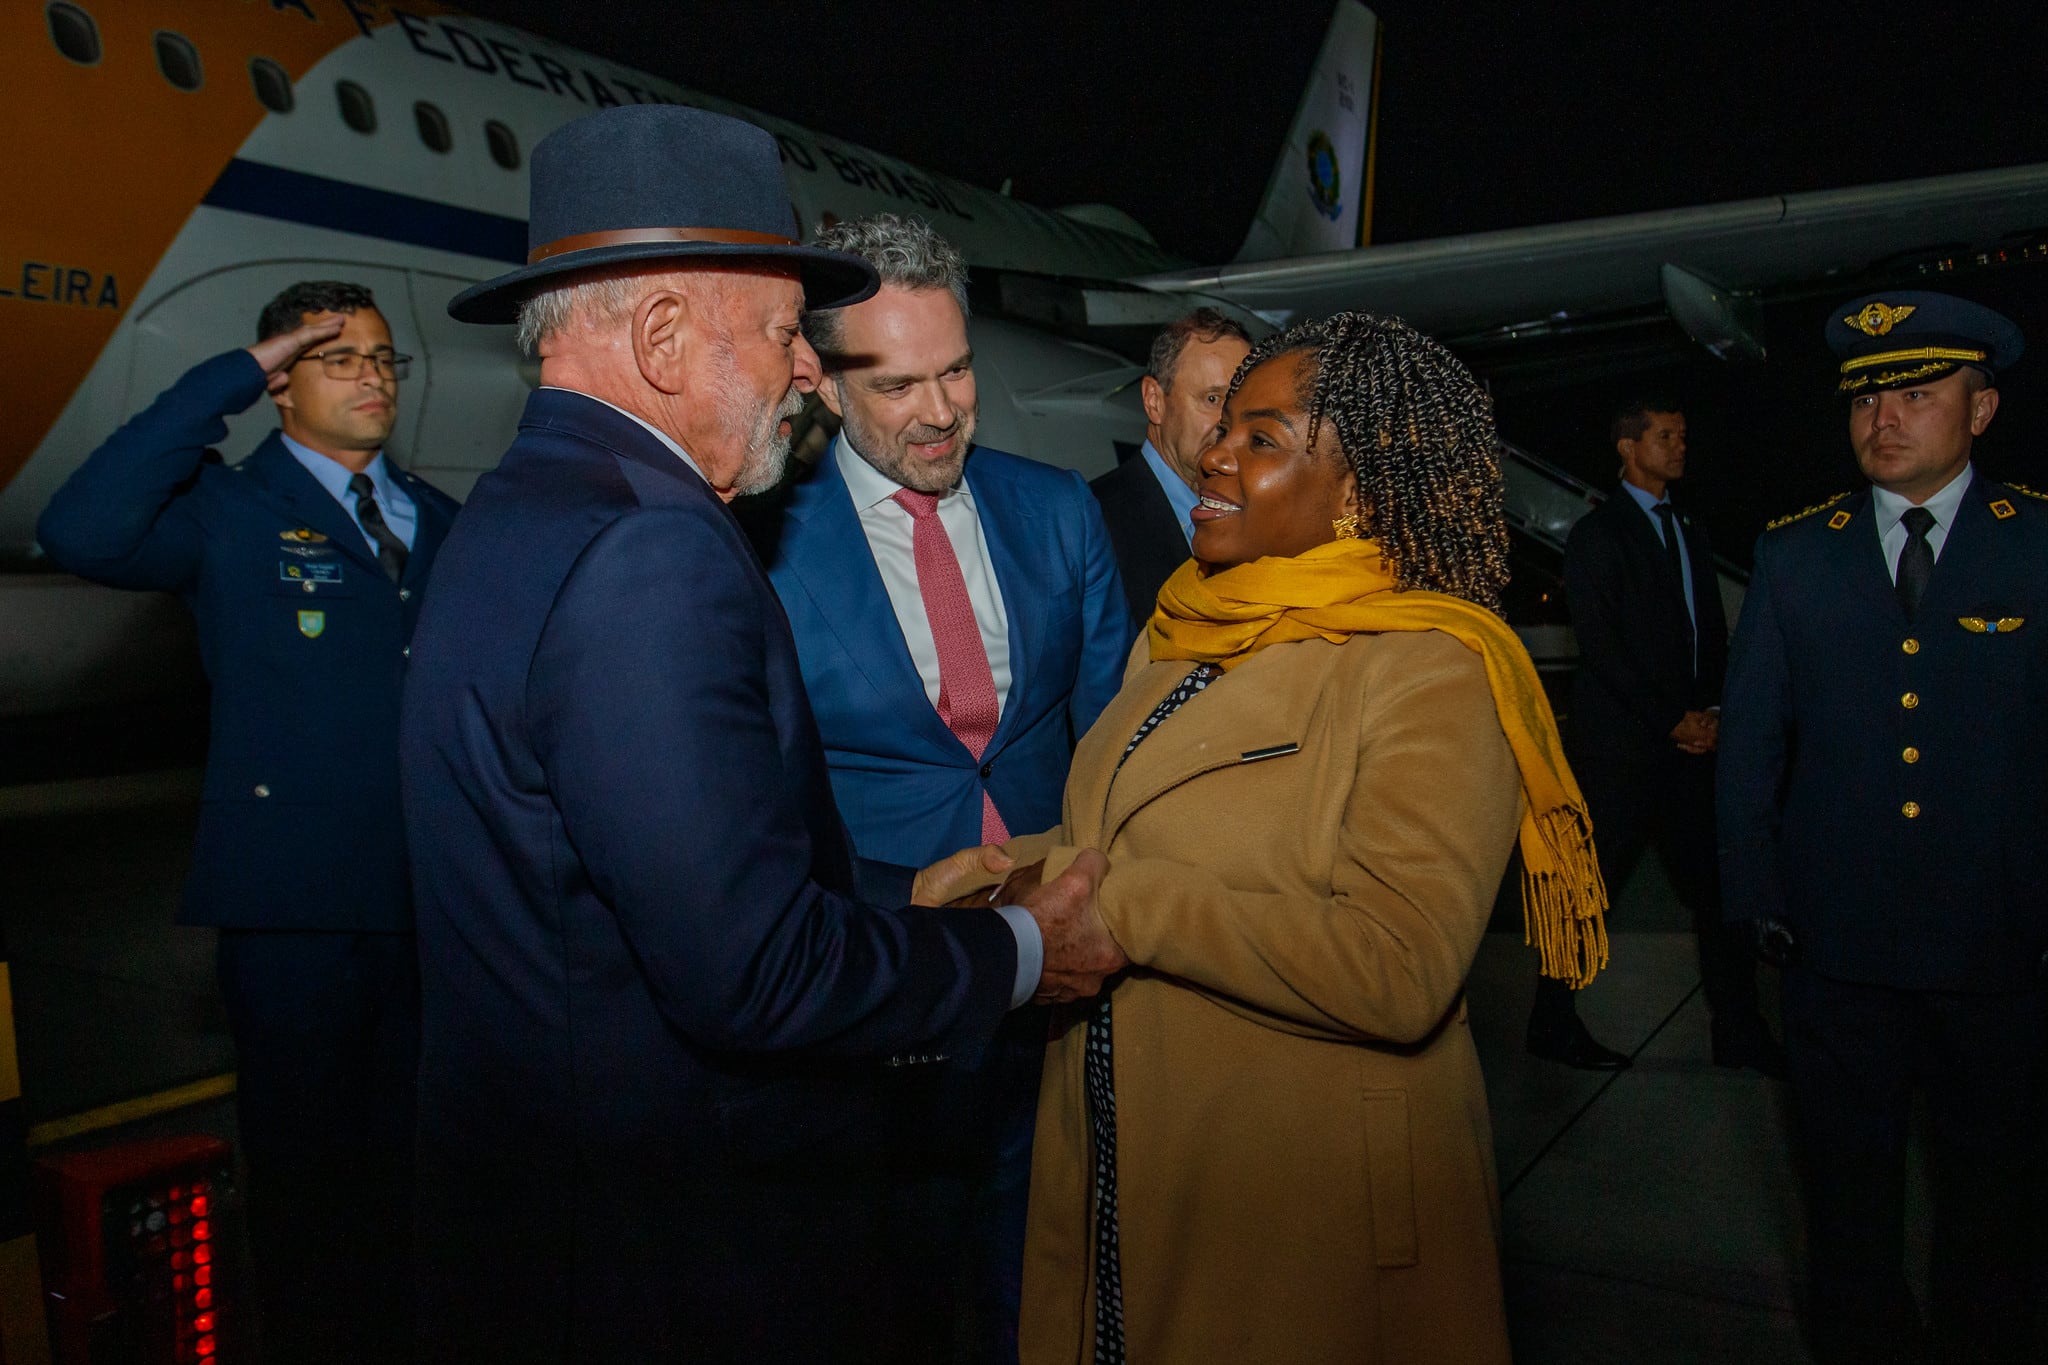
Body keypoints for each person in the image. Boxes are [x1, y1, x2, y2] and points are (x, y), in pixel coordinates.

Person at [401, 105, 1122, 1365]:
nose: (803, 374)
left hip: (557, 1215)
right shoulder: (650, 550)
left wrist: (898, 904)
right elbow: (755, 972)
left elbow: (646, 882)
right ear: (663, 337)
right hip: (670, 1247)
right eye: (788, 333)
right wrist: (1020, 951)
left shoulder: (516, 508)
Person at [958, 311, 1609, 1364]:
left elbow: (1399, 965)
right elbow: (1113, 834)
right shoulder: (1186, 628)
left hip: (1300, 1225)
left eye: (1260, 438)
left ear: (1359, 490)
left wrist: (1129, 911)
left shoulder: (1429, 668)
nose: (1215, 453)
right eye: (1223, 427)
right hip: (1129, 1177)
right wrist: (968, 885)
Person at [36, 280, 456, 1362]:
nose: (372, 376)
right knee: (310, 1181)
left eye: (384, 358)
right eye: (337, 357)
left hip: (434, 903)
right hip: (293, 907)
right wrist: (229, 373)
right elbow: (78, 529)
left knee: (423, 1169)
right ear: (279, 385)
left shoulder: (442, 519)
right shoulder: (227, 511)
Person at [751, 212, 1130, 1362]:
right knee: (891, 1288)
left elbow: (1116, 738)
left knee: (1046, 1271)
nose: (939, 411)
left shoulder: (1055, 508)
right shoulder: (759, 541)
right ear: (821, 383)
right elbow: (760, 799)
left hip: (1060, 973)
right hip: (879, 985)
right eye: (897, 384)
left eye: (956, 371)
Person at [1717, 290, 2044, 1364]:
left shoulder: (2036, 545)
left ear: (1980, 410)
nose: (1883, 418)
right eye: (1864, 398)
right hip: (1835, 947)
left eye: (1914, 393)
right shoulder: (1794, 556)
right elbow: (1751, 745)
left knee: (1992, 1204)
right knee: (1846, 1203)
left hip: (1997, 948)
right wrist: (1755, 899)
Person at [1529, 397, 1779, 1073]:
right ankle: (1551, 1022)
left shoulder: (1688, 528)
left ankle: (1738, 1030)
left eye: (1682, 435)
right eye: (1666, 436)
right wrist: (1672, 717)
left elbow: (1708, 632)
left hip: (1690, 750)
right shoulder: (1597, 535)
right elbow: (1603, 647)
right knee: (1590, 888)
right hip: (1623, 750)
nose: (1679, 446)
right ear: (1628, 448)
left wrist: (1715, 712)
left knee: (1719, 889)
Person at [1089, 309, 1251, 620]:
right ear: (1154, 400)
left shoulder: (1260, 519)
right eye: (1212, 399)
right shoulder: (1093, 522)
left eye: (1242, 402)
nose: (1227, 421)